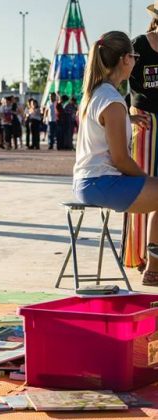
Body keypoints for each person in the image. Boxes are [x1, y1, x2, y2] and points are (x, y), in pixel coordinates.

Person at [73, 30, 158, 286]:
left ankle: (154, 267)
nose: (136, 60)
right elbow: (121, 160)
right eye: (134, 56)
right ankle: (154, 267)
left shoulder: (101, 94)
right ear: (124, 60)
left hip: (91, 181)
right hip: (100, 182)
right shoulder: (112, 100)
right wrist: (147, 181)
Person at [124, 4, 158, 273]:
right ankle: (139, 254)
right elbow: (116, 79)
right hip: (145, 123)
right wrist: (127, 114)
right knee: (142, 187)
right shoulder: (138, 45)